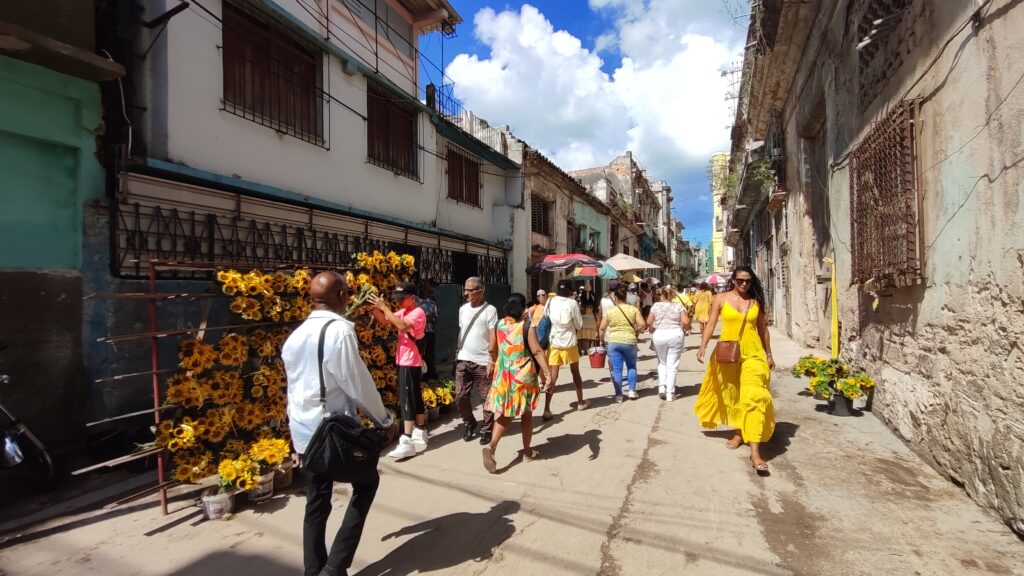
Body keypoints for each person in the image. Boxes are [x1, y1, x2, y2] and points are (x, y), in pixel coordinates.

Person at [283, 271, 396, 576]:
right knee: (367, 482)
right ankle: (334, 567)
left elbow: (292, 389)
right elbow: (356, 382)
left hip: (305, 431)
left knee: (317, 500)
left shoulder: (295, 337)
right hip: (332, 433)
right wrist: (384, 420)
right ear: (344, 297)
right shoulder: (339, 332)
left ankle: (314, 569)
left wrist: (296, 440)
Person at [694, 266, 776, 474]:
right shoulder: (720, 298)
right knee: (733, 394)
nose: (744, 284)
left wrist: (768, 354)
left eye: (748, 281)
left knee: (754, 397)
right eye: (740, 280)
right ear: (733, 280)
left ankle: (755, 451)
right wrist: (702, 345)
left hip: (753, 353)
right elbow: (711, 324)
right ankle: (739, 432)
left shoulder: (755, 302)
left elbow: (763, 330)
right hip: (728, 352)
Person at [481, 293, 546, 473]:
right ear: (523, 308)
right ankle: (525, 451)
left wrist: (494, 362)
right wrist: (547, 374)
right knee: (525, 413)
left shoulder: (498, 324)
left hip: (503, 373)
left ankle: (493, 446)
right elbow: (537, 351)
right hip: (522, 373)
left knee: (506, 411)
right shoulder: (526, 325)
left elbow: (492, 349)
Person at [368, 282, 428, 460]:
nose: (399, 302)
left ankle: (407, 439)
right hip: (407, 359)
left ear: (412, 298)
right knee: (415, 395)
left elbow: (401, 327)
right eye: (398, 299)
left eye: (402, 299)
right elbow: (386, 321)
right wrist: (374, 310)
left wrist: (384, 307)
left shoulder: (417, 313)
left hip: (410, 360)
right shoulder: (404, 311)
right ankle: (420, 429)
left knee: (407, 398)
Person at [454, 277, 499, 444]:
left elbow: (492, 335)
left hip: (482, 360)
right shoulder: (463, 309)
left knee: (486, 397)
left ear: (480, 291)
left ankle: (487, 429)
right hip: (464, 358)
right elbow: (462, 331)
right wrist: (458, 351)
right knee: (460, 395)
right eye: (465, 290)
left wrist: (492, 360)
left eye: (470, 290)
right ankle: (470, 422)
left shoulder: (490, 310)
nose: (466, 293)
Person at [542, 279, 588, 416]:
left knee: (553, 375)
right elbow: (579, 325)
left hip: (554, 342)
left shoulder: (550, 301)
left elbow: (545, 317)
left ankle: (547, 409)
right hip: (570, 342)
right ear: (570, 291)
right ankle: (580, 402)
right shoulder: (573, 303)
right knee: (575, 373)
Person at [598, 282, 647, 401]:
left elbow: (602, 328)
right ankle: (631, 391)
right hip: (629, 341)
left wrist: (601, 341)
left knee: (617, 369)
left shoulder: (610, 311)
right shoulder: (633, 309)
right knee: (631, 366)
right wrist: (636, 332)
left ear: (615, 298)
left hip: (614, 341)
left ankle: (619, 395)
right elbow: (643, 324)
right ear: (625, 297)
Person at [646, 286, 691, 402]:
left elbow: (649, 322)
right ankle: (670, 393)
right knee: (673, 364)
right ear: (672, 295)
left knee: (662, 362)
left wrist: (651, 328)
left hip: (660, 335)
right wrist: (688, 327)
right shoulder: (678, 306)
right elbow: (685, 321)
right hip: (675, 334)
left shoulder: (656, 306)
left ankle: (662, 387)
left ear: (661, 295)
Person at [417, 279, 439, 384]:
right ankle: (420, 375)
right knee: (419, 354)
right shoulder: (414, 302)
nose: (422, 290)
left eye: (424, 288)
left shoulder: (432, 303)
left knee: (429, 355)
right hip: (417, 333)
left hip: (429, 332)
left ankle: (429, 375)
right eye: (420, 288)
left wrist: (431, 319)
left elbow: (436, 319)